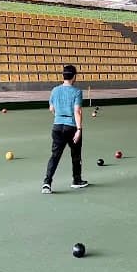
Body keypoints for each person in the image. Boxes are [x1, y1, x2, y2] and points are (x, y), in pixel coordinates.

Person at [42, 64, 88, 194]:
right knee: (76, 154)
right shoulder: (77, 92)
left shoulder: (55, 90)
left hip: (57, 126)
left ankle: (47, 183)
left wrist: (59, 116)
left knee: (55, 156)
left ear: (63, 76)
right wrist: (79, 129)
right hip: (71, 127)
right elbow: (77, 111)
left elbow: (51, 108)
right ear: (74, 76)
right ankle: (77, 181)